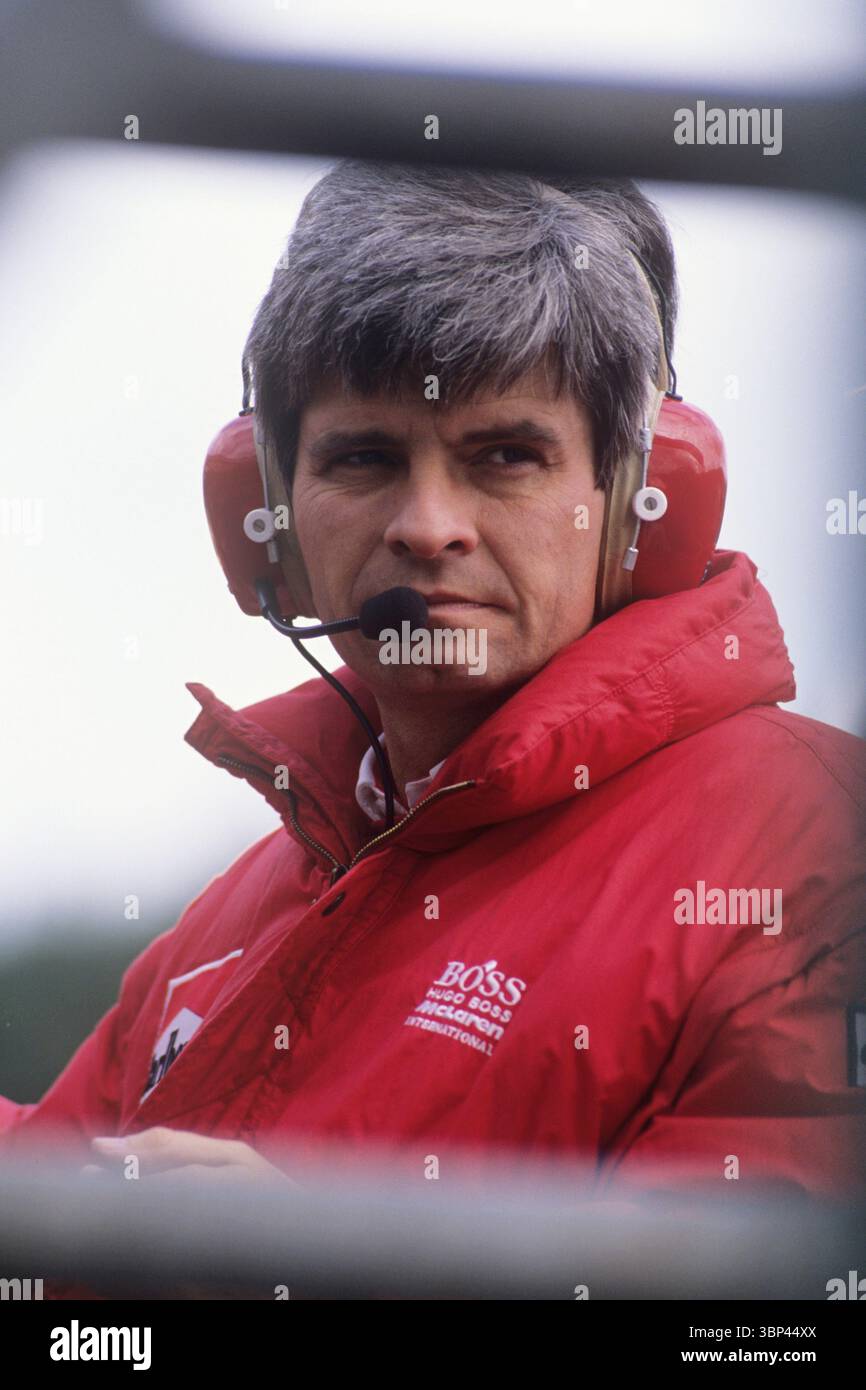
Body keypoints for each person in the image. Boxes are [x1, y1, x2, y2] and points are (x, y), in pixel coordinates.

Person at [2, 162, 864, 1213]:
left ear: (644, 502)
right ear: (263, 514)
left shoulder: (820, 862)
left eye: (504, 455)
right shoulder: (232, 919)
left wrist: (320, 1272)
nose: (426, 525)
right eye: (363, 459)